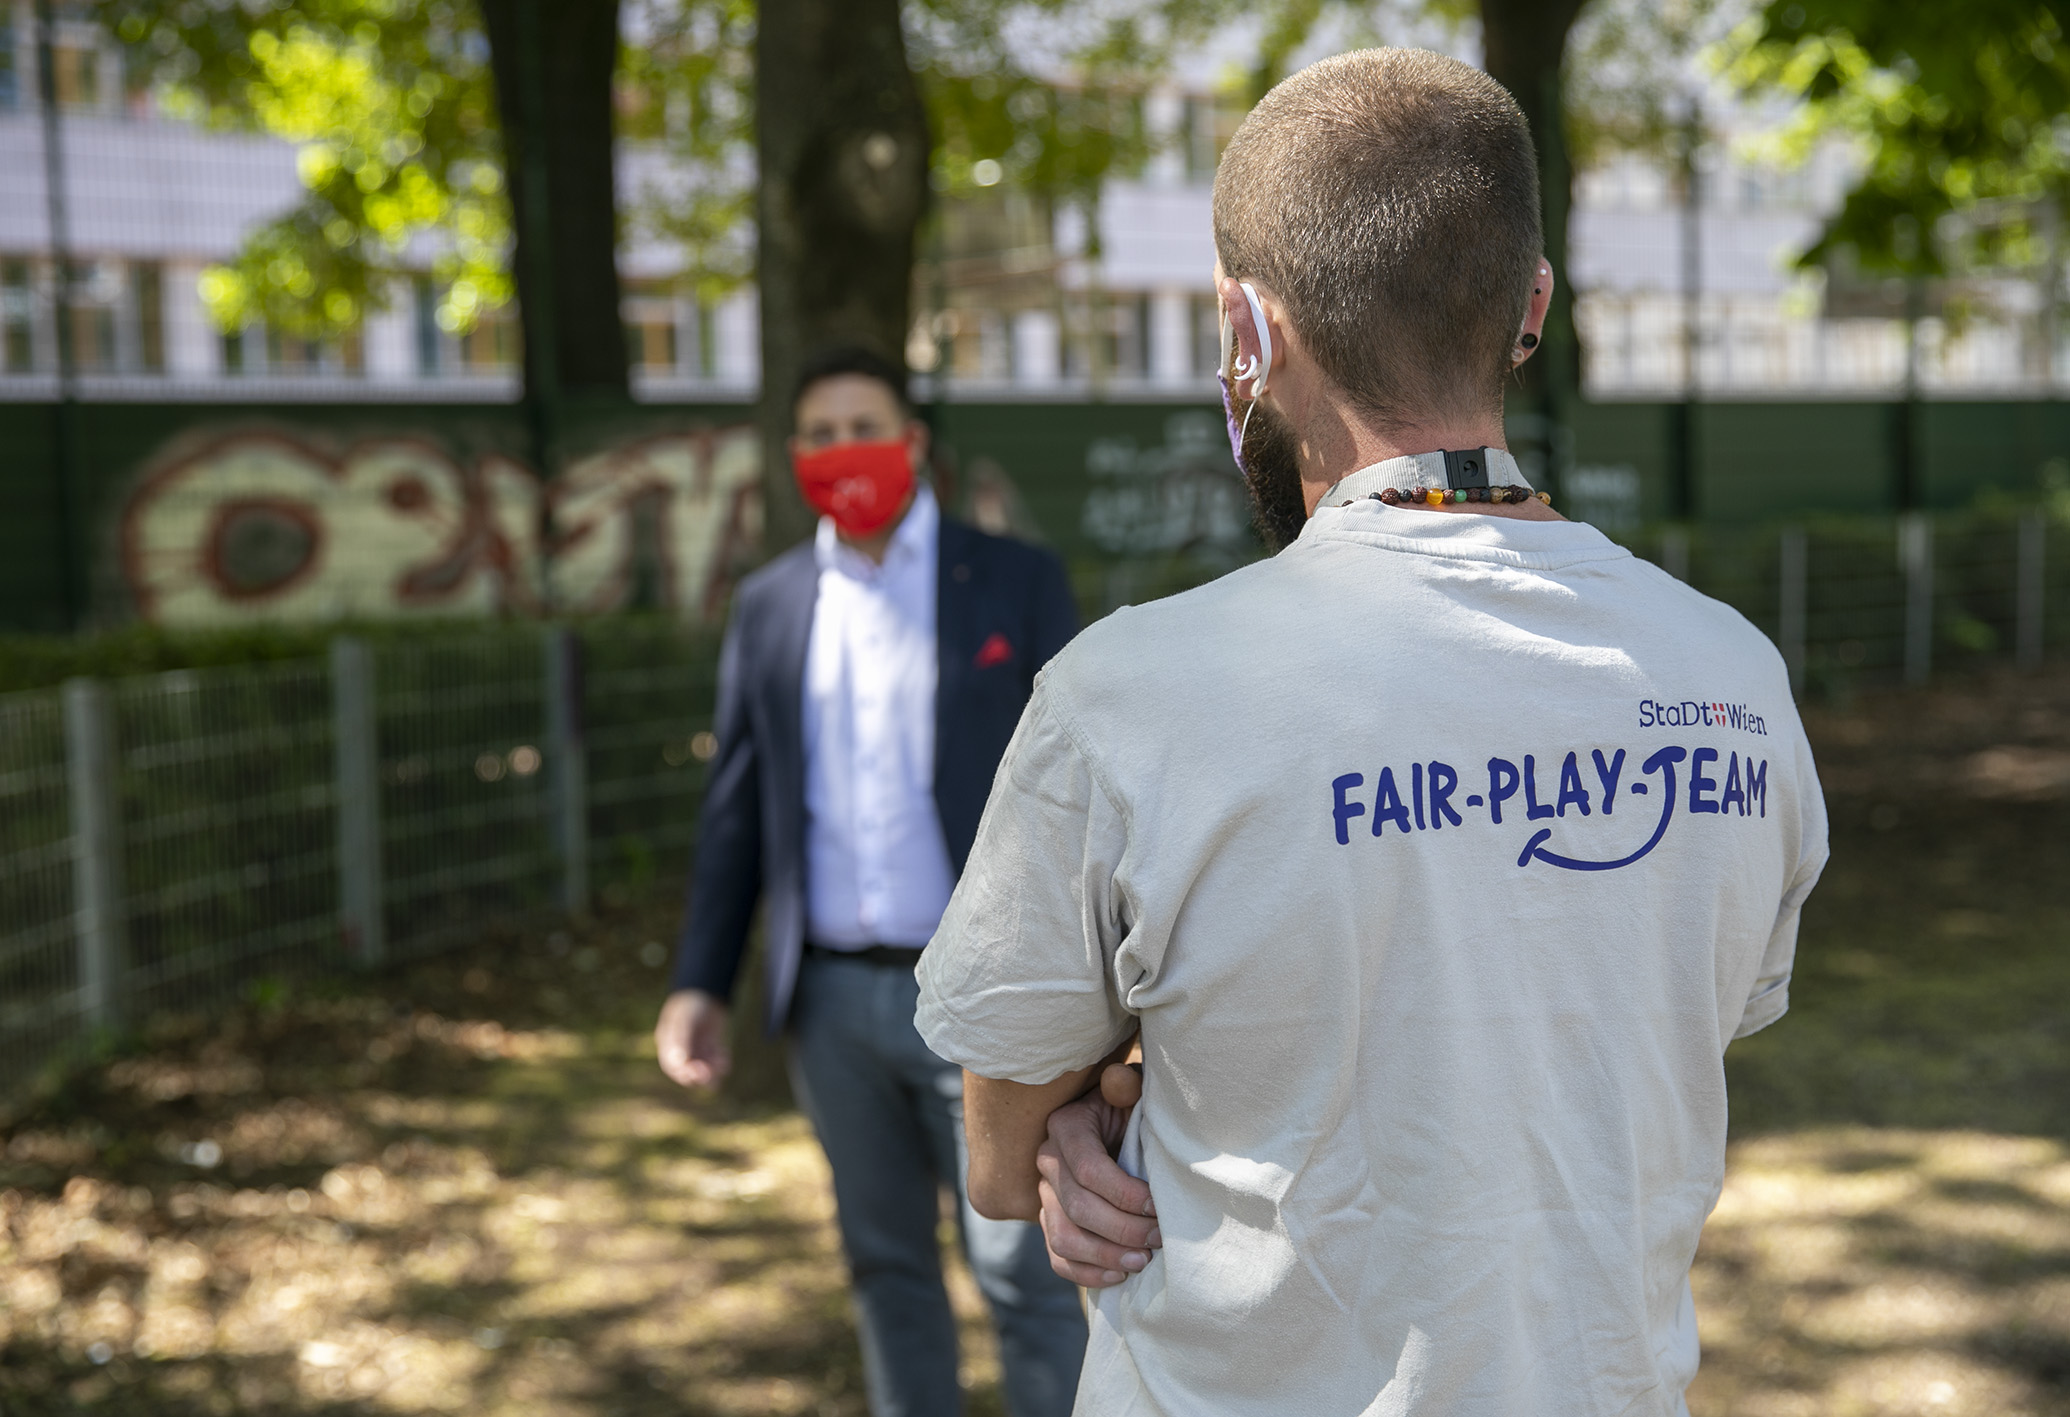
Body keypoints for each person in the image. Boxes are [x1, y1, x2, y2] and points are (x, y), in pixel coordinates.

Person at [914, 48, 1829, 1416]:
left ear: (1246, 331)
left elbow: (994, 1157)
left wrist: (1100, 1103)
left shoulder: (1129, 700)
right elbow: (1664, 1012)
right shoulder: (1731, 679)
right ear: (1531, 306)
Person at [654, 345, 1087, 1417]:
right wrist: (699, 981)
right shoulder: (767, 605)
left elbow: (1081, 792)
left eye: (864, 425)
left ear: (913, 442)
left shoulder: (1016, 581)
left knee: (1023, 1274)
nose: (843, 449)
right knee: (884, 1267)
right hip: (831, 1005)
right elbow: (738, 815)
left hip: (986, 999)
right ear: (793, 453)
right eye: (820, 432)